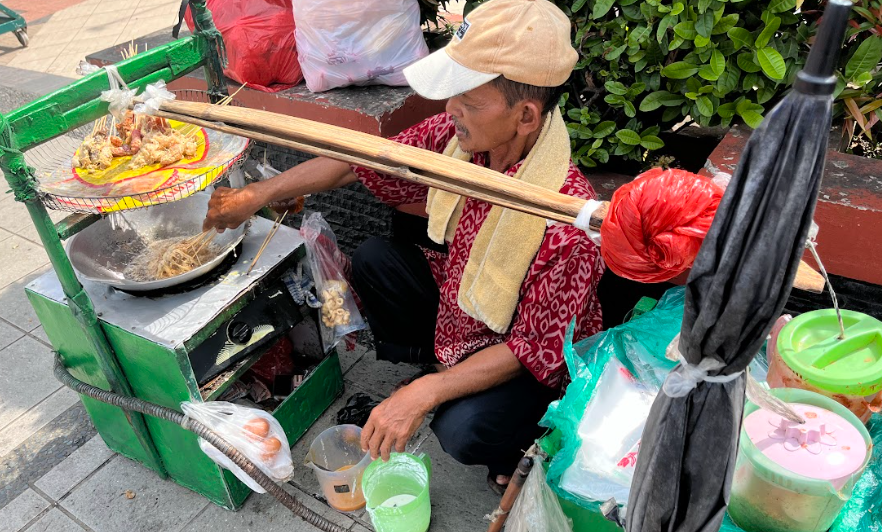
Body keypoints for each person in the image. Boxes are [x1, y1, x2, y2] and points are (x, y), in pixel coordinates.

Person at [203, 0, 604, 493]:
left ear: (525, 116)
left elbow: (530, 348)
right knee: (376, 258)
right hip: (469, 305)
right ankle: (442, 363)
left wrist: (424, 393)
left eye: (468, 99)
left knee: (461, 429)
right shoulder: (463, 142)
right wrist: (257, 194)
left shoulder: (568, 222)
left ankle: (521, 443)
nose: (450, 108)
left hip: (530, 358)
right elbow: (363, 159)